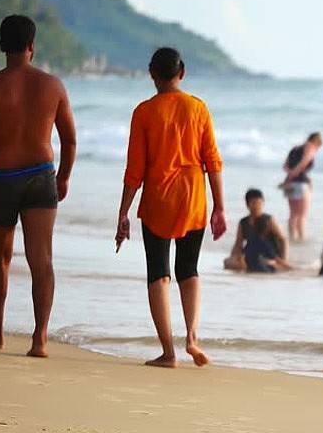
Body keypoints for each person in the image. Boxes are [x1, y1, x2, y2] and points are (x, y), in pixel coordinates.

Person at [0, 15, 76, 357]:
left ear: (1, 46)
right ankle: (39, 339)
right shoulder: (53, 85)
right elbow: (69, 139)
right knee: (42, 260)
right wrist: (63, 176)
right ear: (32, 46)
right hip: (41, 176)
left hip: (2, 180)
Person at [115, 47, 226, 368]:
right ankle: (192, 337)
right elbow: (212, 161)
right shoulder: (198, 108)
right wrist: (219, 207)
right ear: (182, 73)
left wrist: (123, 212)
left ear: (152, 75)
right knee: (189, 270)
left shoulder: (144, 112)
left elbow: (135, 170)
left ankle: (168, 352)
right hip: (193, 198)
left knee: (159, 274)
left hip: (158, 200)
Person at [223, 188, 290, 273]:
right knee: (227, 262)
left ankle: (274, 263)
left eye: (259, 203)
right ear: (247, 204)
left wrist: (283, 259)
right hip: (251, 252)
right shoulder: (243, 222)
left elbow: (283, 240)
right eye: (254, 203)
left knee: (257, 240)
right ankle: (245, 264)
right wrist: (234, 257)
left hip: (268, 253)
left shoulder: (268, 220)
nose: (257, 206)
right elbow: (238, 243)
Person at [281, 132, 323, 241]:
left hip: (289, 184)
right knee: (301, 216)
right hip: (300, 183)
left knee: (292, 214)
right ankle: (301, 240)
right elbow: (303, 164)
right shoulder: (311, 147)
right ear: (317, 142)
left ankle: (292, 238)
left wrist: (289, 177)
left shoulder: (294, 149)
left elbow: (285, 166)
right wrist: (293, 175)